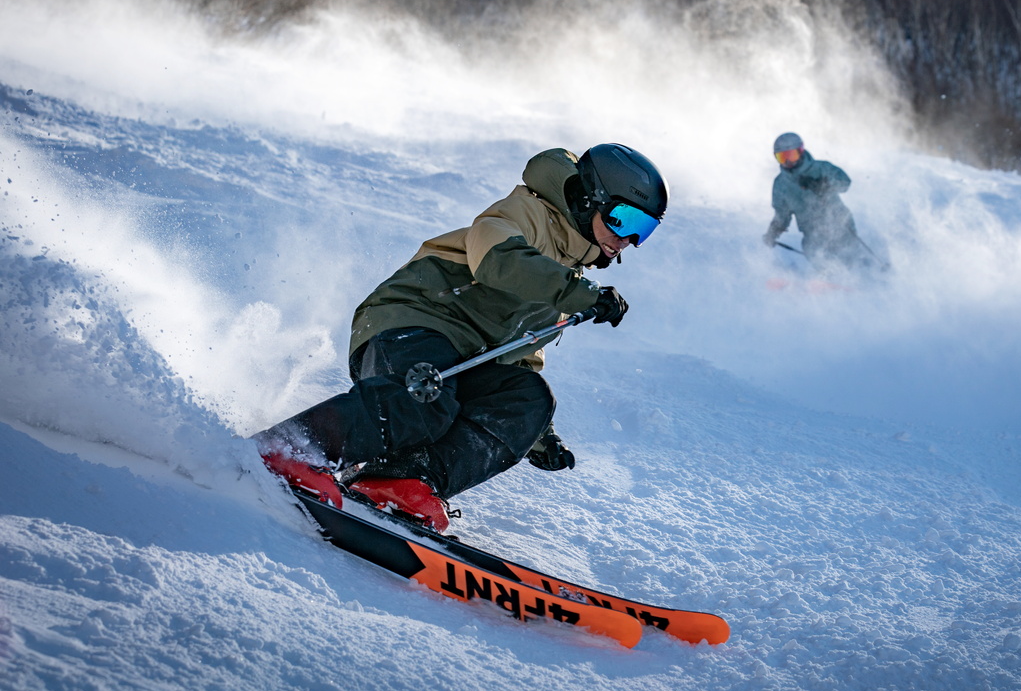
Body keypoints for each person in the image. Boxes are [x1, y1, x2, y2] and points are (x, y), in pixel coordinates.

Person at [255, 144, 668, 531]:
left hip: (459, 362)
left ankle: (400, 480)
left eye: (642, 230)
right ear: (589, 200)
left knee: (529, 397)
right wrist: (582, 294)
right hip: (411, 321)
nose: (627, 239)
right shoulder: (527, 213)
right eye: (623, 219)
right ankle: (292, 447)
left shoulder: (566, 279)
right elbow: (496, 260)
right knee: (425, 397)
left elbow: (517, 356)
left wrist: (538, 435)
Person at [763, 132, 868, 272]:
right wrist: (773, 231)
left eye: (791, 155)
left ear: (801, 151)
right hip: (812, 232)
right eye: (782, 157)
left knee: (847, 253)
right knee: (812, 250)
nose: (788, 162)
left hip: (839, 223)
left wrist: (823, 185)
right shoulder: (781, 184)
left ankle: (861, 274)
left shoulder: (822, 168)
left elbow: (845, 183)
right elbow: (782, 214)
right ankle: (830, 278)